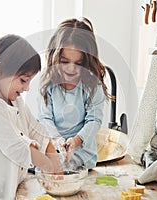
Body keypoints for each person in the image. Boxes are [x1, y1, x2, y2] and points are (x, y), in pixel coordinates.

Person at [0, 34, 61, 200]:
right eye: (23, 80)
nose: (27, 88)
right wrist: (48, 165)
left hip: (6, 189)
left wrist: (54, 157)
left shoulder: (15, 102)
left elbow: (35, 129)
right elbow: (16, 148)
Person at [38, 17, 114, 170]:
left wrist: (75, 142)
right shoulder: (48, 83)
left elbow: (94, 121)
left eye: (78, 64)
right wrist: (57, 140)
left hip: (82, 152)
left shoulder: (93, 85)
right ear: (54, 58)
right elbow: (45, 118)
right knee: (35, 163)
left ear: (86, 62)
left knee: (62, 167)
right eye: (65, 62)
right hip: (54, 145)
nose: (71, 69)